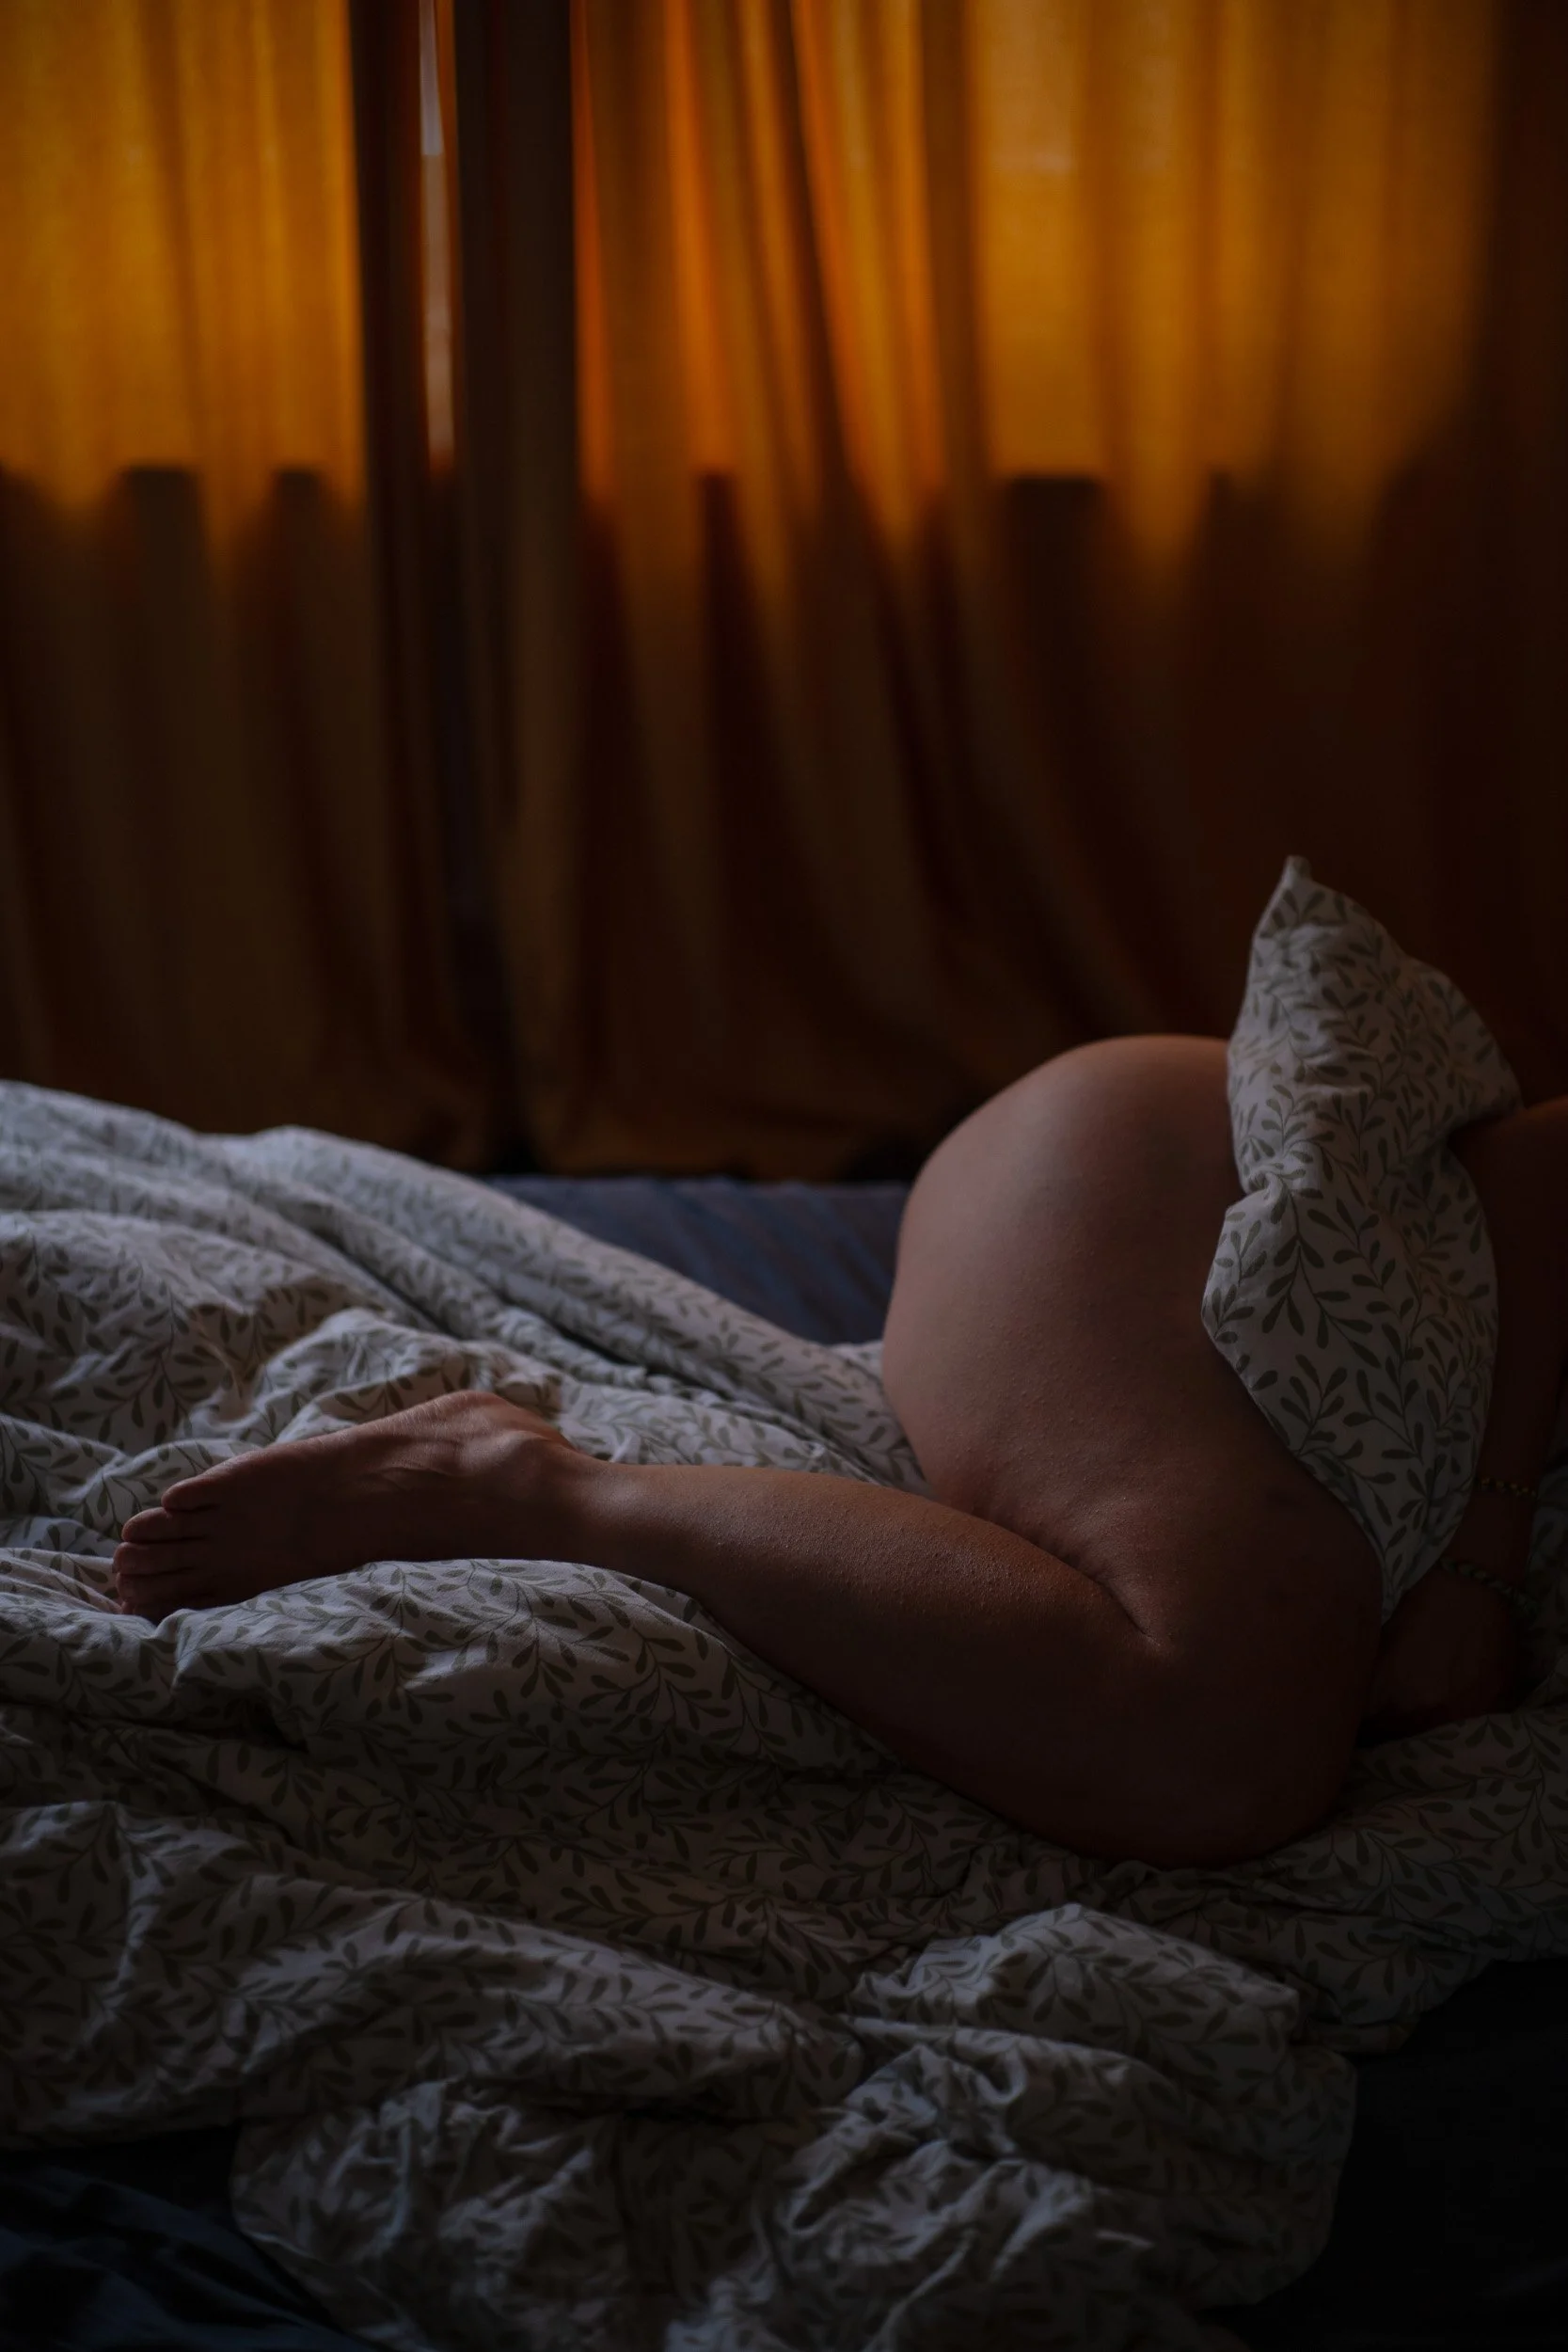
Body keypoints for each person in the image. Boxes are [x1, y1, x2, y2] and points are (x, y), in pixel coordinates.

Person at [111, 1035, 1560, 1870]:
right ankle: (529, 1485)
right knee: (1214, 1744)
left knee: (1211, 1751)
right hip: (1196, 1169)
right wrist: (1480, 1561)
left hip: (1174, 1213)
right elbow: (1541, 1157)